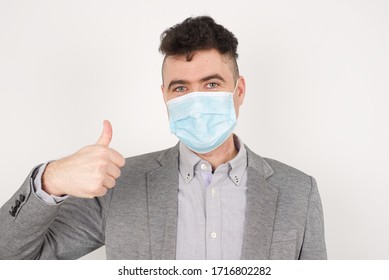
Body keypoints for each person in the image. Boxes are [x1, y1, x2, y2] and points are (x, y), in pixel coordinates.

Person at [0, 16, 326, 260]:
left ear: (238, 91)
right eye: (181, 88)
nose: (196, 101)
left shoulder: (299, 191)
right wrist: (50, 181)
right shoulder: (120, 186)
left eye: (212, 84)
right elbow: (11, 258)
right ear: (165, 97)